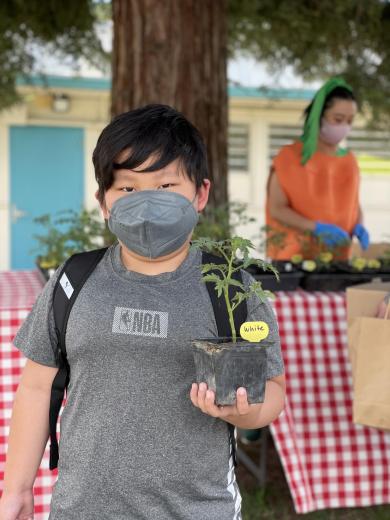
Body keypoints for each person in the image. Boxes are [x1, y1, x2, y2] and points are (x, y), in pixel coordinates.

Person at [0, 104, 286, 520]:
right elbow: (36, 389)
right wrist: (15, 488)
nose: (148, 203)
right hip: (82, 509)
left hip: (199, 510)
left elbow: (272, 390)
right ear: (103, 202)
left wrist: (243, 410)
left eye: (166, 185)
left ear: (200, 194)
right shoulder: (73, 279)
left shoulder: (232, 289)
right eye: (128, 189)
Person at [266, 77, 370, 260]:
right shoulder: (289, 157)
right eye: (338, 119)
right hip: (293, 261)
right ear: (319, 116)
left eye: (350, 121)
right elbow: (277, 208)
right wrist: (316, 228)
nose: (344, 126)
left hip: (337, 262)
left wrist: (359, 225)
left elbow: (354, 203)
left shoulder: (349, 161)